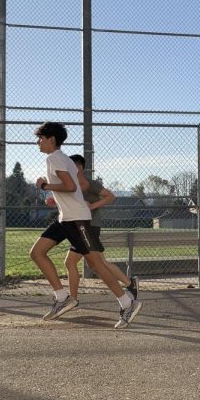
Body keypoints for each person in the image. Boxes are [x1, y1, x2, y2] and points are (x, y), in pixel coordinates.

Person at [28, 122, 141, 326]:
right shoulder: (62, 159)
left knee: (96, 264)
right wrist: (53, 190)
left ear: (51, 139)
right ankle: (62, 297)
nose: (38, 142)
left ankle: (127, 303)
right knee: (37, 252)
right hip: (65, 218)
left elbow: (70, 187)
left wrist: (45, 185)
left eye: (41, 138)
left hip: (76, 219)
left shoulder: (54, 158)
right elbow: (72, 186)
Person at [66, 154, 139, 304]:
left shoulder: (90, 184)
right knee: (101, 263)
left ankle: (72, 299)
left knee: (70, 262)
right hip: (81, 227)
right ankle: (130, 284)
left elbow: (110, 196)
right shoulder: (71, 184)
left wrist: (91, 206)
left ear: (79, 167)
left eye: (70, 165)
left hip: (90, 227)